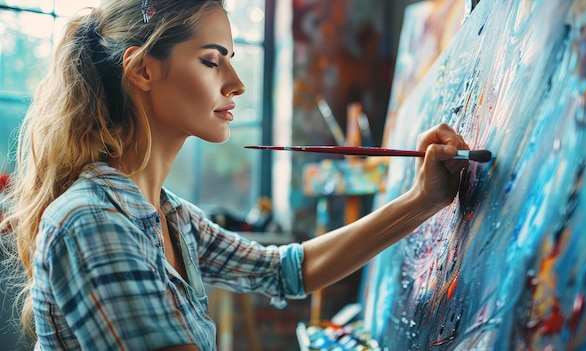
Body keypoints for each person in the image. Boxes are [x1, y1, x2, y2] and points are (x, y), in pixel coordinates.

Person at [0, 0, 470, 350]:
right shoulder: (92, 221)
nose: (236, 83)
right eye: (210, 60)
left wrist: (423, 200)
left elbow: (290, 270)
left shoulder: (172, 216)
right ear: (143, 69)